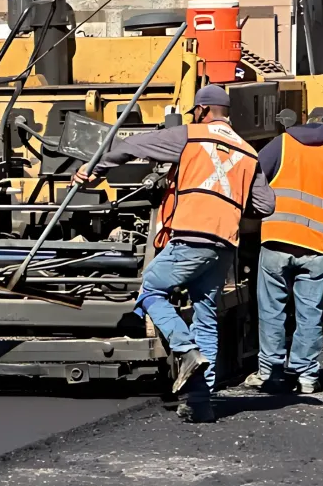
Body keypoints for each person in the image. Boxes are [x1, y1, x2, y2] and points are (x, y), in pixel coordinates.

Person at [78, 84, 275, 422]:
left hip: (191, 235)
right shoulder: (248, 151)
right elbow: (265, 205)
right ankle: (201, 403)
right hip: (224, 245)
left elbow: (132, 145)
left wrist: (97, 170)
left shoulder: (191, 135)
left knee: (151, 290)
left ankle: (185, 351)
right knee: (206, 314)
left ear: (201, 111)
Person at [250, 107, 323, 393]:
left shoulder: (283, 142)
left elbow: (253, 172)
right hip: (315, 247)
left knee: (272, 310)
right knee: (309, 314)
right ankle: (307, 376)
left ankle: (271, 372)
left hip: (276, 239)